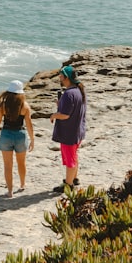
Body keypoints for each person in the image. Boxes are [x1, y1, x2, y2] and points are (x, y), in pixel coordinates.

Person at [0, 80, 35, 197]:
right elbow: (29, 125)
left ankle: (10, 191)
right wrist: (32, 139)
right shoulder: (25, 106)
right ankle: (22, 184)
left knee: (8, 165)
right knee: (21, 163)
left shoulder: (3, 106)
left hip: (6, 136)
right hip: (20, 135)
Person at [49, 65, 87, 193]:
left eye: (61, 75)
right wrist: (61, 105)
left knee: (69, 158)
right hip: (77, 131)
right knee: (74, 155)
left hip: (69, 132)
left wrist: (54, 115)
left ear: (66, 77)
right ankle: (74, 178)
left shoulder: (69, 94)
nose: (59, 77)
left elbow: (65, 115)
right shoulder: (78, 91)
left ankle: (68, 184)